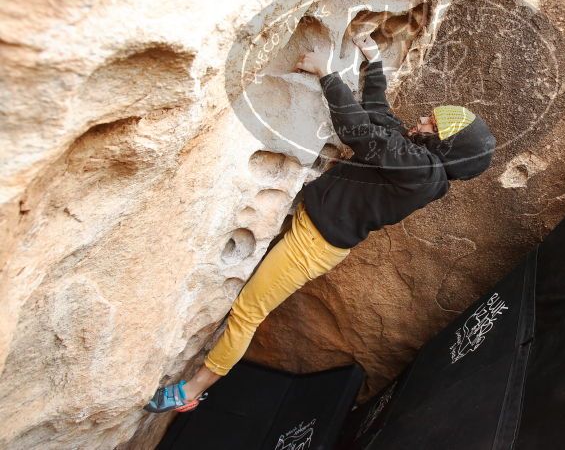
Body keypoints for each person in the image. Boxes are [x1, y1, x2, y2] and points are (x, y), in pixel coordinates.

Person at [144, 34, 496, 413]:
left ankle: (192, 391)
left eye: (434, 124)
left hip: (310, 248)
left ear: (446, 147)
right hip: (309, 228)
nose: (425, 118)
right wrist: (373, 62)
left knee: (248, 312)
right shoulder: (416, 157)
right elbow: (379, 114)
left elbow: (358, 131)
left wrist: (328, 74)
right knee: (248, 306)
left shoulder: (424, 173)